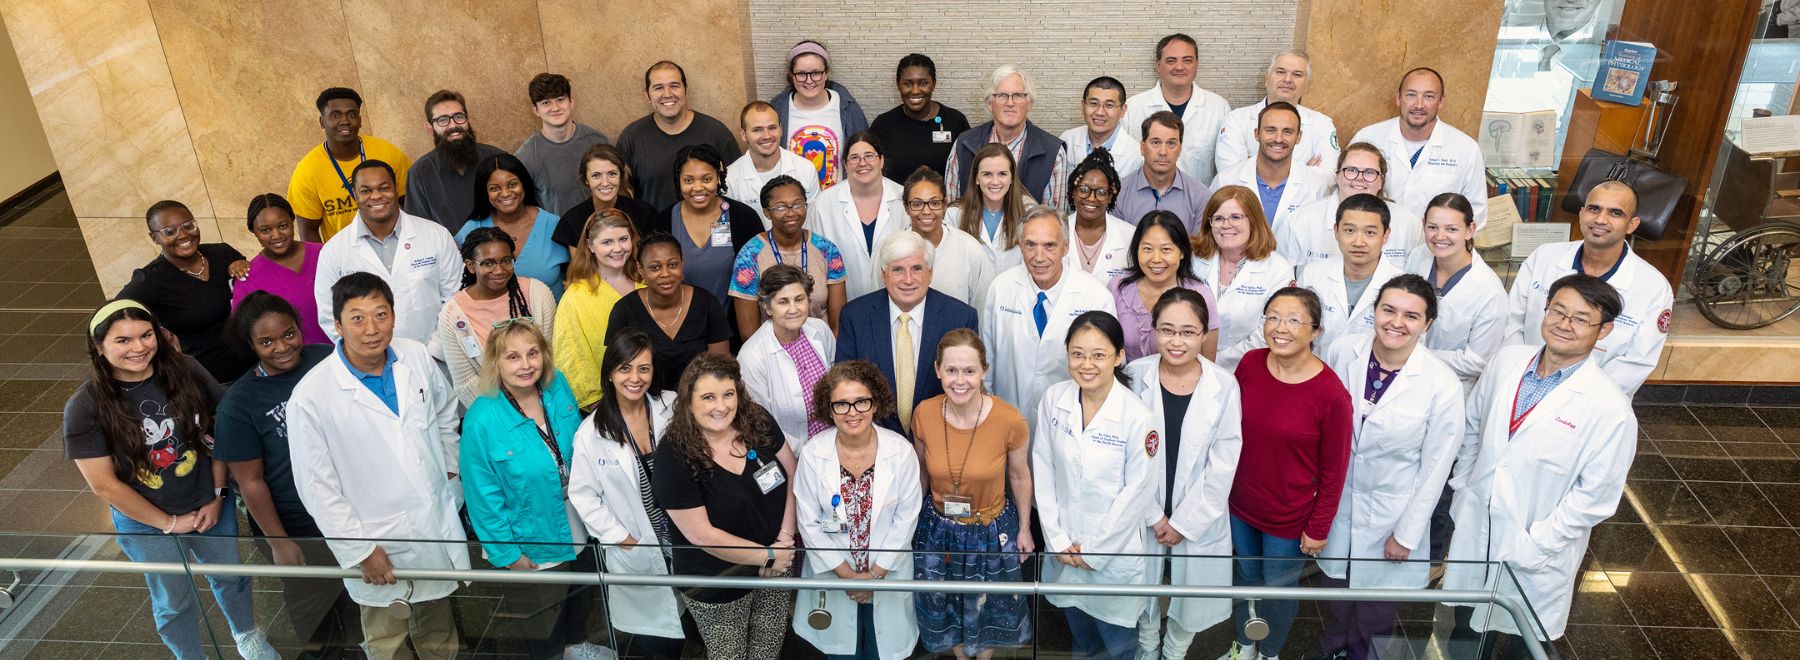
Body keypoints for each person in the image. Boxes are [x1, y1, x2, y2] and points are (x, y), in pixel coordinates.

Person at [65, 300, 279, 660]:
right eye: (123, 340)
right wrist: (168, 523)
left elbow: (219, 431)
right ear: (99, 347)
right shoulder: (85, 406)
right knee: (173, 598)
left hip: (208, 503)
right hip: (146, 522)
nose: (139, 348)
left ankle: (246, 635)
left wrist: (216, 494)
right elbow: (104, 484)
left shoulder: (185, 369)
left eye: (146, 335)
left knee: (230, 576)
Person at [1446, 274, 1638, 660]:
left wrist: (1538, 542)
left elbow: (1595, 498)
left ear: (1604, 331)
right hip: (1476, 524)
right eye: (1558, 311)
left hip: (1537, 552)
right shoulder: (1508, 360)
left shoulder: (1610, 409)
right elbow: (1473, 425)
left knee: (1525, 644)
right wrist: (1463, 487)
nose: (1565, 325)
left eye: (1582, 319)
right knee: (1464, 635)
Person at [287, 273, 468, 660]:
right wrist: (360, 550)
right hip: (376, 540)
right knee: (387, 640)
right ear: (336, 324)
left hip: (432, 523)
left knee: (438, 627)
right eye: (357, 318)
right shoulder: (312, 396)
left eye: (381, 314)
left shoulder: (414, 356)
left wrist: (450, 470)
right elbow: (316, 487)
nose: (371, 329)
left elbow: (445, 410)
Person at [1314, 275, 1461, 660]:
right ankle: (1332, 650)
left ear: (1427, 324)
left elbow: (1436, 469)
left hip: (1392, 515)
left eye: (1411, 315)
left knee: (1375, 613)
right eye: (1388, 310)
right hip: (1338, 503)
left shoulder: (1440, 383)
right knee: (1335, 597)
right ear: (1375, 311)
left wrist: (1408, 534)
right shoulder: (1343, 352)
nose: (1396, 322)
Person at [216, 293, 355, 658]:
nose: (282, 347)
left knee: (358, 595)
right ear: (250, 345)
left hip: (349, 507)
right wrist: (279, 541)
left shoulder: (327, 358)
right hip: (296, 524)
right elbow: (250, 481)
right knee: (315, 608)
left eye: (288, 334)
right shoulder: (239, 403)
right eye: (266, 342)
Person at [459, 318, 603, 660]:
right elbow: (482, 498)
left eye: (533, 353)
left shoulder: (557, 386)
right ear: (495, 362)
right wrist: (508, 554)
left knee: (580, 596)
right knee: (543, 625)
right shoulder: (481, 420)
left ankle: (575, 647)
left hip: (579, 520)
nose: (526, 365)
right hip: (533, 538)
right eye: (512, 357)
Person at [1222, 287, 1352, 660]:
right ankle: (1243, 647)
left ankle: (1271, 652)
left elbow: (1335, 470)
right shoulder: (1249, 364)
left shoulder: (1330, 395)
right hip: (1241, 504)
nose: (1280, 327)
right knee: (1245, 578)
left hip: (1289, 517)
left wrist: (1319, 527)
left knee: (1279, 588)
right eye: (1273, 317)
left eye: (1294, 320)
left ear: (1315, 332)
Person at [652, 353, 798, 660]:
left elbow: (792, 472)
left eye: (728, 394)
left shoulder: (757, 421)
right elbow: (701, 534)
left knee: (768, 648)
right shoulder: (673, 455)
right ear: (689, 402)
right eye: (708, 397)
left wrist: (784, 539)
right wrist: (768, 556)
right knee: (728, 654)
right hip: (718, 582)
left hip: (776, 564)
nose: (721, 406)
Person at [1032, 311, 1158, 660]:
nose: (1087, 364)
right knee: (1083, 644)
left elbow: (1138, 493)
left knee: (1118, 648)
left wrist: (1095, 551)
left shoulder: (1138, 417)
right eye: (1078, 353)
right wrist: (1057, 539)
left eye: (1099, 355)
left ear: (1119, 356)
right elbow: (1042, 469)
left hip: (1111, 559)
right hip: (1065, 552)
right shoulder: (1054, 399)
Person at [1123, 288, 1240, 660]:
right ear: (1154, 330)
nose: (1177, 341)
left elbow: (1223, 464)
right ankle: (1146, 646)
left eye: (1188, 332)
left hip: (1197, 514)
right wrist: (1155, 516)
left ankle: (1174, 651)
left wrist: (1184, 522)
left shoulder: (1224, 385)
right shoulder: (1133, 377)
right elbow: (1124, 459)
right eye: (1167, 330)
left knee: (1193, 598)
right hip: (1145, 511)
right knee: (1142, 587)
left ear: (1205, 334)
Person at [910, 329, 1034, 658]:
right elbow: (921, 471)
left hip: (991, 530)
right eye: (951, 370)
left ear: (984, 371)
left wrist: (1024, 528)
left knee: (989, 611)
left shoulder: (1011, 421)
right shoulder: (923, 413)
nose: (960, 380)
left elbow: (1020, 476)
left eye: (969, 371)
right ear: (938, 370)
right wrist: (909, 524)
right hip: (938, 530)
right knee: (947, 611)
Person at [791, 360, 923, 660]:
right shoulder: (814, 454)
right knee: (842, 653)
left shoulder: (900, 451)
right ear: (829, 408)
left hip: (886, 573)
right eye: (842, 404)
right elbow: (808, 523)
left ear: (875, 403)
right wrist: (847, 575)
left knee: (883, 650)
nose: (853, 412)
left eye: (861, 401)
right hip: (836, 576)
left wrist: (875, 576)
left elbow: (906, 519)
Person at [568, 328, 687, 660]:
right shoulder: (591, 433)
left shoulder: (671, 405)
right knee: (652, 640)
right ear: (610, 372)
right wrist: (623, 538)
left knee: (682, 631)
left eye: (644, 368)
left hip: (680, 536)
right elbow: (583, 495)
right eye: (625, 368)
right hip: (637, 545)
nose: (635, 378)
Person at [1503, 181, 1671, 396]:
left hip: (1591, 401)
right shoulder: (1543, 257)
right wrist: (1523, 376)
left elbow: (1637, 362)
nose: (1600, 219)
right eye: (1594, 208)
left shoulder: (1653, 287)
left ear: (1632, 224)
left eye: (1615, 213)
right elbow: (1511, 323)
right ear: (1581, 213)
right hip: (1523, 381)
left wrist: (1575, 396)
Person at [981, 205, 1116, 426]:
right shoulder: (1001, 288)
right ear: (1020, 246)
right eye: (1030, 245)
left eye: (1049, 246)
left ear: (1065, 247)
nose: (1039, 256)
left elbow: (1108, 371)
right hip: (1007, 419)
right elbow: (987, 360)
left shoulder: (1096, 297)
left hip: (1070, 423)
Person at [836, 230, 980, 433]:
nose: (908, 279)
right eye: (897, 270)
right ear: (883, 275)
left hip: (942, 438)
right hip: (875, 439)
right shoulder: (855, 317)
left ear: (930, 273)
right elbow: (845, 385)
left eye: (917, 269)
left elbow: (968, 388)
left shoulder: (960, 318)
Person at [315, 160, 463, 346]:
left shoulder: (436, 235)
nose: (376, 196)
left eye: (383, 188)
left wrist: (433, 353)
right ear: (355, 195)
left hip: (435, 356)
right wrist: (366, 356)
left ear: (395, 188)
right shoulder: (334, 251)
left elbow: (456, 299)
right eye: (366, 190)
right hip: (371, 364)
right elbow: (330, 316)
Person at [121, 200, 252, 383]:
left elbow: (251, 290)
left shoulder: (223, 254)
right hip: (211, 381)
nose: (183, 235)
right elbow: (116, 313)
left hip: (256, 365)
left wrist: (242, 265)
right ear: (154, 238)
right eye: (169, 231)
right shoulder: (151, 280)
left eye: (188, 225)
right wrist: (155, 334)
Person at [1349, 68, 1488, 230]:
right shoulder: (1368, 137)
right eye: (1411, 95)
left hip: (1436, 249)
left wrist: (1444, 247)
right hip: (1374, 246)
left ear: (1441, 102)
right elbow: (1345, 192)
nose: (1419, 105)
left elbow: (1476, 213)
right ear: (1398, 98)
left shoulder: (1466, 149)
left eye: (1429, 96)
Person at [435, 227, 558, 406]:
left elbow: (553, 358)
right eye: (488, 263)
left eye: (506, 261)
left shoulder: (537, 294)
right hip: (496, 415)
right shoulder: (452, 315)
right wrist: (510, 413)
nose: (499, 270)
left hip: (548, 403)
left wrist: (537, 406)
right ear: (470, 266)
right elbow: (465, 382)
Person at [1407, 193, 1507, 393]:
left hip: (1451, 388)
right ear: (1423, 224)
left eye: (1451, 229)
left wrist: (1411, 353)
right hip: (1405, 377)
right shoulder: (1418, 257)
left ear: (1470, 230)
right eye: (1432, 227)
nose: (1440, 236)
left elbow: (1477, 361)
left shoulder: (1489, 291)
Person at [605, 233, 730, 393]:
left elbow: (720, 370)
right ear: (640, 270)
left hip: (699, 402)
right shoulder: (624, 311)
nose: (665, 274)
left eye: (672, 265)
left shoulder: (706, 304)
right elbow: (617, 373)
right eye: (655, 267)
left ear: (682, 264)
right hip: (644, 403)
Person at [647, 144, 765, 313]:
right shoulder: (662, 223)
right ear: (678, 180)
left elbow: (759, 276)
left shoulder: (744, 219)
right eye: (688, 180)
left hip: (734, 328)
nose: (697, 188)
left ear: (718, 177)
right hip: (679, 326)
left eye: (706, 179)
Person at [288, 87, 412, 242]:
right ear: (322, 121)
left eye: (352, 114)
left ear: (360, 120)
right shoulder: (307, 171)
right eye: (335, 115)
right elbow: (308, 231)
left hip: (397, 243)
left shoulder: (388, 153)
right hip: (346, 257)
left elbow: (410, 205)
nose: (345, 121)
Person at [732, 176, 848, 337]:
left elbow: (838, 323)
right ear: (767, 212)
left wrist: (829, 356)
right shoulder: (749, 255)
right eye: (780, 207)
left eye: (798, 204)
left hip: (822, 348)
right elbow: (749, 334)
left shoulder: (827, 250)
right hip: (771, 353)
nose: (792, 212)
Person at [618, 61, 743, 209]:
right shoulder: (631, 137)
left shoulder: (716, 133)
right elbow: (623, 195)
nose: (667, 94)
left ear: (685, 90)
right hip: (653, 230)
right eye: (658, 88)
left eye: (674, 86)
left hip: (711, 228)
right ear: (647, 95)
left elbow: (737, 187)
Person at [1193, 186, 1293, 371]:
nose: (1226, 225)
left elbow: (1270, 330)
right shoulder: (1194, 260)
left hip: (1249, 370)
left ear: (1253, 221)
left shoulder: (1278, 270)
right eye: (1218, 218)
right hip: (1189, 365)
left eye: (1236, 217)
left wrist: (1214, 361)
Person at [945, 65, 1068, 211]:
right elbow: (952, 211)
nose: (1010, 103)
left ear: (1029, 104)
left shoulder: (1053, 152)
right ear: (990, 103)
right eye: (1002, 95)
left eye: (1018, 95)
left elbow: (1052, 218)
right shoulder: (964, 144)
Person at [740, 264, 838, 444]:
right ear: (767, 307)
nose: (793, 309)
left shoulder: (820, 329)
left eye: (799, 299)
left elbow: (838, 383)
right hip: (792, 454)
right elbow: (759, 423)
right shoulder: (751, 356)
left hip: (835, 439)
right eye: (783, 302)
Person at [556, 209, 644, 408]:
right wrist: (599, 404)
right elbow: (574, 357)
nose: (618, 248)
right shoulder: (576, 297)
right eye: (607, 242)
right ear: (590, 246)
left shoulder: (646, 282)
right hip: (607, 403)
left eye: (623, 239)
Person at [1277, 142, 1414, 269]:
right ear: (1337, 176)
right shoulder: (1300, 221)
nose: (1359, 178)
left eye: (1370, 172)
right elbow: (1281, 277)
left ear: (1381, 181)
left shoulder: (1408, 223)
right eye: (1351, 170)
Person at [1296, 194, 1405, 351]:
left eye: (1370, 233)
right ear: (1336, 231)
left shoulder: (1402, 286)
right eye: (1349, 230)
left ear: (1385, 235)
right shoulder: (1312, 275)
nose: (1358, 242)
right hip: (1313, 370)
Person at [807, 132, 908, 300]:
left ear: (881, 161)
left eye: (869, 156)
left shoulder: (903, 198)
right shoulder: (824, 204)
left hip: (897, 301)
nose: (862, 163)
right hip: (842, 303)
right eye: (854, 158)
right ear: (845, 165)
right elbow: (814, 260)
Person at [1121, 34, 1232, 184]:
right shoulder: (1133, 108)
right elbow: (1122, 160)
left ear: (1196, 64)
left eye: (1187, 60)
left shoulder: (1219, 108)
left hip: (1199, 203)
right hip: (1145, 201)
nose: (1179, 67)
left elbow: (1227, 166)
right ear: (1158, 65)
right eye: (1171, 61)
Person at [456, 153, 570, 298]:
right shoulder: (472, 229)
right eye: (495, 188)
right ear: (485, 193)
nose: (505, 194)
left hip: (551, 318)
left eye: (512, 185)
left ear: (524, 184)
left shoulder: (554, 225)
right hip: (493, 319)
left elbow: (578, 277)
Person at [1110, 211, 1218, 362]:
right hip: (1125, 382)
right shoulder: (1118, 287)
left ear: (1182, 252)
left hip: (1180, 384)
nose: (1156, 259)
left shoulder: (1201, 294)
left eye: (1166, 249)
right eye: (1147, 249)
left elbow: (1207, 362)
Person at [1214, 50, 1338, 178]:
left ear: (1307, 85)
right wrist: (1305, 172)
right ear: (1267, 79)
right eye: (1280, 72)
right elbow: (1229, 173)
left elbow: (1328, 176)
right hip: (1248, 198)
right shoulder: (1236, 119)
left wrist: (1251, 164)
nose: (1288, 79)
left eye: (1297, 74)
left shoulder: (1322, 124)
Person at [1209, 102, 1329, 233]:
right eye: (1270, 130)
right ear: (1257, 134)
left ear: (1298, 137)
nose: (1278, 139)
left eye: (1287, 132)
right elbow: (1210, 233)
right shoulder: (1226, 180)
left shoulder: (1316, 185)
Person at [770, 40, 871, 190]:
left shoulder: (847, 108)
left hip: (837, 203)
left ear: (826, 74)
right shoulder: (776, 111)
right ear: (791, 75)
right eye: (801, 74)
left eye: (816, 73)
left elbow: (866, 158)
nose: (809, 81)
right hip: (793, 206)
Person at [232, 194, 330, 344]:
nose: (276, 235)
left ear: (292, 221)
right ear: (254, 231)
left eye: (283, 226)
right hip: (293, 361)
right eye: (265, 230)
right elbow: (244, 331)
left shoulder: (324, 253)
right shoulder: (248, 278)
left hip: (346, 351)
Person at [405, 90, 507, 234]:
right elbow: (419, 229)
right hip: (450, 254)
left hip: (502, 250)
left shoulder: (497, 158)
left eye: (459, 117)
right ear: (430, 128)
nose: (453, 125)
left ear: (468, 120)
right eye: (443, 120)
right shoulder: (419, 173)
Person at [515, 72, 612, 216]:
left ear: (571, 102)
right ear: (536, 110)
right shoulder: (525, 157)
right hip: (558, 236)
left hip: (604, 230)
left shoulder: (598, 141)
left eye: (560, 99)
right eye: (546, 102)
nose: (555, 108)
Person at [900, 166, 992, 308]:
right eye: (917, 204)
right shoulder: (890, 249)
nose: (926, 211)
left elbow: (983, 307)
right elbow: (879, 304)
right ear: (906, 207)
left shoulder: (969, 249)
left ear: (944, 206)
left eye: (934, 203)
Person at [868, 53, 971, 181]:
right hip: (896, 200)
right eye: (907, 84)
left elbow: (970, 170)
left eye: (923, 83)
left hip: (944, 201)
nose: (915, 90)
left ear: (933, 83)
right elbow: (869, 170)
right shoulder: (883, 125)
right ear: (898, 84)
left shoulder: (955, 121)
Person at [549, 144, 660, 257]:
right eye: (596, 175)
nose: (605, 182)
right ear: (586, 180)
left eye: (612, 174)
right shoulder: (573, 221)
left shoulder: (644, 213)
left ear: (620, 176)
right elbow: (579, 271)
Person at [1115, 112, 1212, 237]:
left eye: (1171, 143)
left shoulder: (1200, 196)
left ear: (1180, 149)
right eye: (1156, 142)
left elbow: (1199, 251)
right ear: (1142, 147)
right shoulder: (1119, 194)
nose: (1163, 152)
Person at [729, 101, 822, 227]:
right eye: (757, 130)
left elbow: (815, 221)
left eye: (772, 128)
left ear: (781, 129)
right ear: (744, 134)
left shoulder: (806, 168)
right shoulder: (730, 178)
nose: (767, 136)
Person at [946, 143, 1032, 273]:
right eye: (987, 174)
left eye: (1002, 174)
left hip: (1014, 291)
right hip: (970, 292)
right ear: (976, 178)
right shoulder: (954, 214)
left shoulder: (1030, 211)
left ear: (1012, 177)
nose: (995, 182)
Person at [1063, 149, 1137, 281]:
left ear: (1110, 197)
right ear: (1073, 192)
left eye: (1101, 192)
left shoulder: (1130, 236)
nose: (1091, 198)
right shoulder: (1056, 231)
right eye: (1083, 190)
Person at [1059, 76, 1143, 178]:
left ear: (1123, 110)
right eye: (1093, 103)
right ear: (1083, 106)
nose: (1099, 112)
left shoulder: (1137, 156)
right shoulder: (1067, 139)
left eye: (1109, 105)